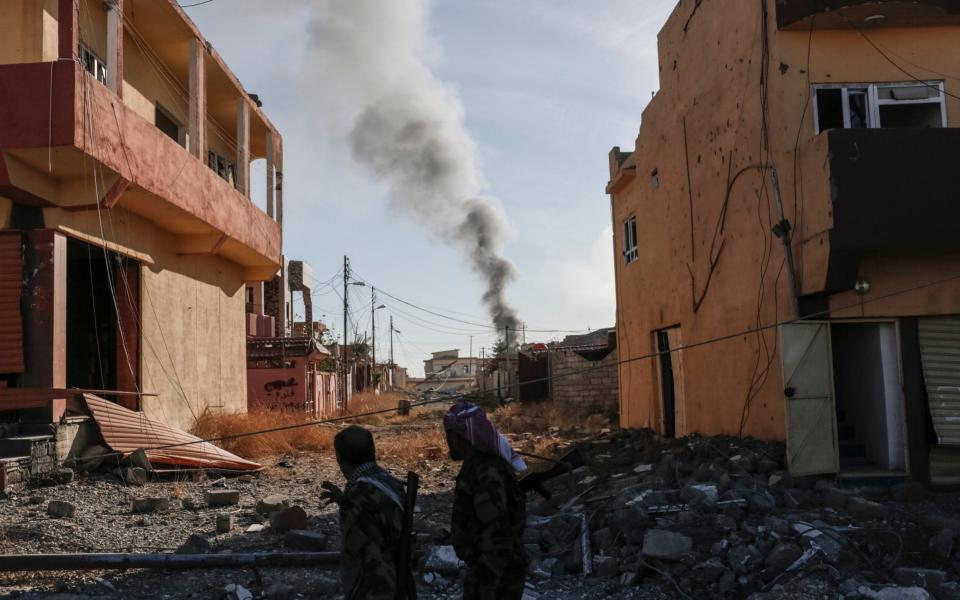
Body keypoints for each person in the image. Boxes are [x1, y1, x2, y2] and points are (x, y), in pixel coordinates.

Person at [443, 402, 528, 600]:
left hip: (495, 570)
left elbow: (497, 533)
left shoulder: (487, 472)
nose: (447, 441)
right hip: (490, 567)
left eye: (449, 435)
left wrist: (487, 582)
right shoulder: (477, 467)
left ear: (460, 437)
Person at [321, 425, 413, 600]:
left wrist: (348, 507)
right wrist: (344, 501)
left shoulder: (360, 492)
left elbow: (355, 545)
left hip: (375, 582)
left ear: (340, 459)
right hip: (396, 576)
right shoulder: (388, 481)